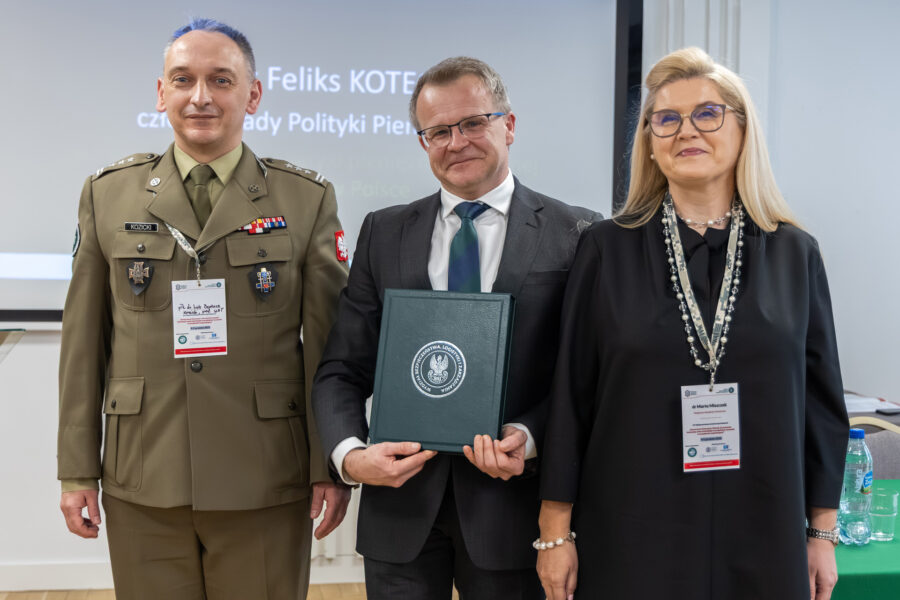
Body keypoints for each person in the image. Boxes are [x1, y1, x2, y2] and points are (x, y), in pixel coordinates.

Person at [535, 46, 849, 600]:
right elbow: (571, 397)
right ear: (650, 143)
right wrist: (554, 533)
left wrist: (821, 533)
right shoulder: (606, 249)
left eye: (707, 113)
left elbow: (822, 408)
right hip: (632, 526)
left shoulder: (795, 253)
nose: (686, 130)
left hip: (764, 524)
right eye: (666, 119)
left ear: (743, 129)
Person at [57, 18, 350, 599]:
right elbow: (84, 344)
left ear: (253, 95)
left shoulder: (304, 198)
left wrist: (329, 464)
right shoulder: (107, 194)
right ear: (160, 92)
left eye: (221, 80)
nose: (200, 97)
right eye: (182, 79)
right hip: (144, 470)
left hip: (264, 474)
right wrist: (76, 468)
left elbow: (328, 348)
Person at [312, 57, 600, 599]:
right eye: (438, 131)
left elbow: (586, 375)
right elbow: (342, 368)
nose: (456, 142)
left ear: (508, 125)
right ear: (423, 142)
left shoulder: (577, 232)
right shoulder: (384, 232)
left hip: (515, 511)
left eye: (472, 123)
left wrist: (529, 437)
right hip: (400, 513)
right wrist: (351, 455)